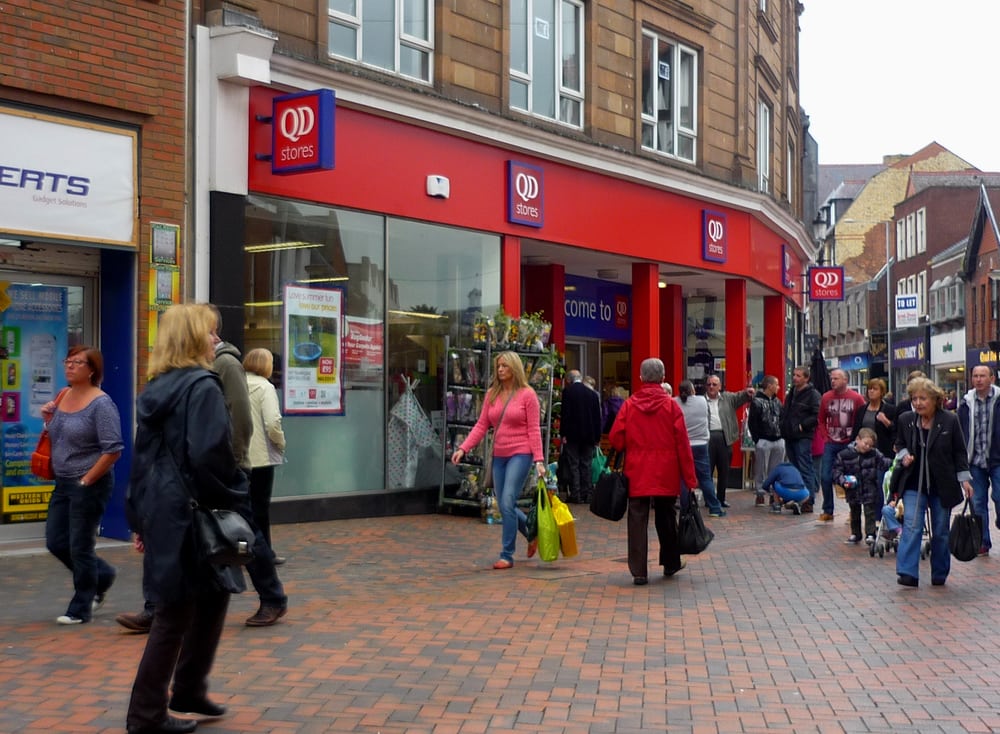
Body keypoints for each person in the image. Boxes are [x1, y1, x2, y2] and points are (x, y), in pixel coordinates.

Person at [117, 306, 289, 632]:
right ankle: (156, 606)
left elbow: (239, 416)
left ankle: (272, 597)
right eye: (209, 331)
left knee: (242, 535)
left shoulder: (223, 365)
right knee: (169, 539)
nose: (216, 337)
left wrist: (235, 465)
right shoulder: (165, 380)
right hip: (182, 479)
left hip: (222, 469)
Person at [124, 303, 248, 734]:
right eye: (211, 333)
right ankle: (146, 716)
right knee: (173, 614)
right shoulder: (202, 386)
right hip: (193, 510)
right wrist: (237, 496)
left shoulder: (156, 388)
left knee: (214, 593)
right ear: (196, 338)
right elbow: (210, 455)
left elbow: (142, 461)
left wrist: (138, 517)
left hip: (164, 510)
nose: (217, 340)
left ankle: (190, 687)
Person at [43, 346, 124, 625]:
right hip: (64, 481)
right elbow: (59, 436)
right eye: (68, 361)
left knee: (80, 545)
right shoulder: (64, 395)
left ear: (92, 370)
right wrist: (48, 420)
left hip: (90, 482)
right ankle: (101, 575)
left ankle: (80, 607)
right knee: (55, 541)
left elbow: (113, 448)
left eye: (77, 362)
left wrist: (88, 479)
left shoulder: (101, 404)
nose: (70, 366)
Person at [452, 351, 547, 569]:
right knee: (505, 505)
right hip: (499, 455)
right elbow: (481, 425)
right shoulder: (492, 394)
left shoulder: (527, 395)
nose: (500, 370)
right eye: (498, 366)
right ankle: (533, 534)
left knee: (507, 501)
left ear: (514, 368)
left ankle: (507, 555)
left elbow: (534, 429)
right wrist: (463, 448)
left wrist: (539, 460)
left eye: (504, 366)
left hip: (521, 453)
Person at [609, 358, 699, 586]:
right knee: (666, 517)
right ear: (663, 377)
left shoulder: (629, 405)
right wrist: (690, 478)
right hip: (665, 470)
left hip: (637, 470)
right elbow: (683, 445)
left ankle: (639, 571)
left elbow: (616, 438)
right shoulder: (671, 406)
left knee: (637, 518)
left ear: (640, 377)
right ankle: (670, 562)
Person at [893, 377, 973, 588]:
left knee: (940, 531)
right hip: (913, 483)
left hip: (942, 483)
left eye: (923, 398)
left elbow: (959, 451)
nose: (918, 403)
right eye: (914, 398)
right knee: (911, 526)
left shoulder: (949, 420)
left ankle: (939, 572)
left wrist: (964, 479)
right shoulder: (906, 419)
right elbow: (899, 444)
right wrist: (904, 455)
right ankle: (907, 572)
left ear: (935, 399)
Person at [244, 348, 287, 558]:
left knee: (243, 506)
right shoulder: (265, 387)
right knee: (260, 508)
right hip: (261, 458)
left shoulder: (236, 384)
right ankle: (264, 553)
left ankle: (242, 548)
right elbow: (272, 423)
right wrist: (281, 443)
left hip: (239, 456)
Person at [956, 364, 1000, 555]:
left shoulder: (998, 400)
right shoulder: (965, 404)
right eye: (975, 376)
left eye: (983, 376)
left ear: (992, 378)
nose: (979, 379)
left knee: (999, 497)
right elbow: (959, 433)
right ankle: (983, 542)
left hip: (998, 460)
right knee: (978, 502)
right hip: (974, 461)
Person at [817, 369, 865, 522]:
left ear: (845, 380)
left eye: (836, 378)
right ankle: (828, 510)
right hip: (831, 443)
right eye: (832, 379)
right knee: (825, 476)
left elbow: (862, 417)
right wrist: (825, 436)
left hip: (849, 443)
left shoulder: (856, 398)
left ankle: (853, 511)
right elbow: (821, 419)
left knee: (851, 478)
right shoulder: (826, 397)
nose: (833, 381)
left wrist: (857, 438)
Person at [832, 427, 892, 544]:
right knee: (854, 511)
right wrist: (843, 480)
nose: (868, 447)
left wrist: (895, 462)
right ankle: (855, 533)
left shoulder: (874, 454)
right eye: (866, 444)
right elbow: (836, 471)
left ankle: (870, 534)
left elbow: (884, 463)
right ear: (857, 440)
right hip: (853, 488)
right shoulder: (845, 454)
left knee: (870, 511)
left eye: (871, 445)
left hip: (870, 487)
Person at [675, 380, 725, 517]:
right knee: (705, 478)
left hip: (684, 444)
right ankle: (715, 508)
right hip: (701, 444)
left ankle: (685, 509)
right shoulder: (702, 401)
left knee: (684, 478)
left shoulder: (675, 402)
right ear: (693, 390)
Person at [704, 374, 754, 508]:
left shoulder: (727, 398)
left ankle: (721, 498)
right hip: (708, 438)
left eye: (714, 384)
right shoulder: (701, 401)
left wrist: (748, 392)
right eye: (709, 384)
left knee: (724, 471)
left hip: (725, 437)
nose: (711, 387)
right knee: (707, 470)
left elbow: (740, 396)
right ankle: (709, 499)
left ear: (720, 386)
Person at [558, 369, 602, 504]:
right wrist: (597, 437)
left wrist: (563, 433)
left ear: (569, 380)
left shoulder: (567, 393)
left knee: (573, 464)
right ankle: (587, 493)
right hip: (589, 436)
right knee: (586, 464)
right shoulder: (592, 395)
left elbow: (565, 415)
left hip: (572, 435)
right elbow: (597, 418)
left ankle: (575, 493)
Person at [780, 365, 820, 513]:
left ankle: (808, 501)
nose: (795, 378)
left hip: (802, 436)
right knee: (795, 468)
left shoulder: (813, 394)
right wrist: (783, 425)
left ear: (806, 378)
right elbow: (786, 411)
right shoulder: (792, 392)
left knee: (805, 467)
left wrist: (803, 426)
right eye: (794, 375)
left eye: (798, 376)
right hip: (790, 434)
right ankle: (798, 497)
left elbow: (817, 415)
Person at [748, 375, 785, 506]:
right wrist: (757, 439)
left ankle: (773, 493)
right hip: (763, 439)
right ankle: (760, 493)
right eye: (777, 384)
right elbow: (752, 422)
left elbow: (782, 419)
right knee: (760, 468)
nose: (778, 387)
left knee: (775, 469)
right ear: (770, 386)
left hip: (778, 439)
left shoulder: (778, 402)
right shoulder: (757, 402)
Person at [850, 378, 896, 458]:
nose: (871, 391)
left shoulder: (890, 409)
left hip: (881, 452)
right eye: (869, 389)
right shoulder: (862, 410)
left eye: (875, 389)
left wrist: (886, 421)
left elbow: (895, 430)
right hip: (862, 451)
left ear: (881, 392)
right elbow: (855, 430)